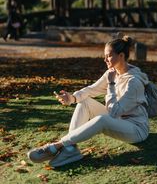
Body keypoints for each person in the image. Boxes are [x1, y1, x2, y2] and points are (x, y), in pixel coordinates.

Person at [27, 35, 150, 168]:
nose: (105, 59)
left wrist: (111, 84)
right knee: (84, 102)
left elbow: (114, 112)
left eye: (108, 56)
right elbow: (92, 90)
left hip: (136, 129)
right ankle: (70, 150)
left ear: (121, 56)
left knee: (102, 120)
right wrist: (72, 98)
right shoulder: (113, 72)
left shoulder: (134, 81)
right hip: (119, 119)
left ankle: (57, 145)